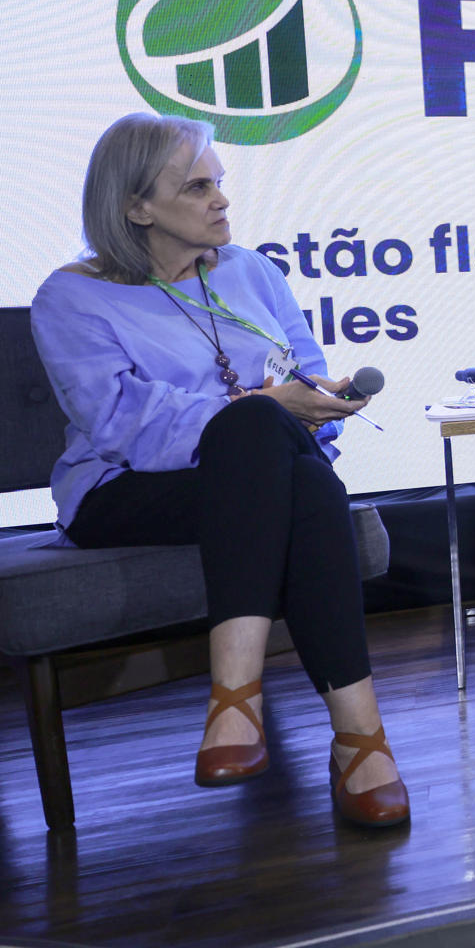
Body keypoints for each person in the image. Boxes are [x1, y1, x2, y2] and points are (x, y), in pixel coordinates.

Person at [31, 113, 409, 827]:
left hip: (259, 475)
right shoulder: (71, 297)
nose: (221, 200)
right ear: (136, 207)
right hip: (125, 491)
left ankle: (238, 707)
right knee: (261, 434)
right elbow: (120, 424)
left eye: (221, 182)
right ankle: (359, 738)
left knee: (287, 465)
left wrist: (314, 405)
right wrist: (261, 410)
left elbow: (308, 378)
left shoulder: (252, 271)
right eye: (197, 185)